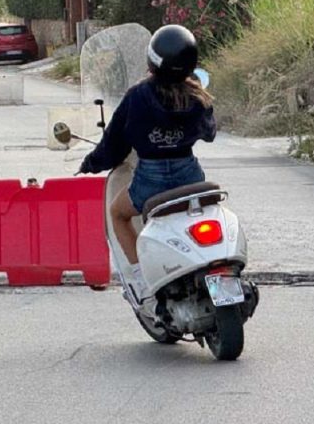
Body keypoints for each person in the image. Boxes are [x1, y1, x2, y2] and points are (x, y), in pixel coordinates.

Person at [78, 25, 216, 304]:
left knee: (117, 214)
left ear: (152, 60)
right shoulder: (198, 96)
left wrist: (91, 164)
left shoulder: (137, 96)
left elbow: (113, 145)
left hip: (150, 180)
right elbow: (209, 133)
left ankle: (141, 281)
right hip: (190, 176)